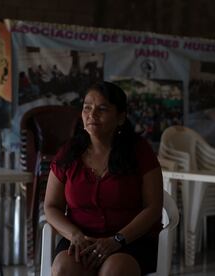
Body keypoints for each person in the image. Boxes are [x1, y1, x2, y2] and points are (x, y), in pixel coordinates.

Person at [44, 81, 163, 276]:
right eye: (87, 108)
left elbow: (153, 208)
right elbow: (51, 207)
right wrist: (75, 234)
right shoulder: (69, 153)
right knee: (64, 269)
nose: (92, 114)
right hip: (81, 239)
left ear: (121, 117)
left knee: (114, 270)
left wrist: (117, 240)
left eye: (102, 109)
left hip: (131, 241)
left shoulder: (139, 151)